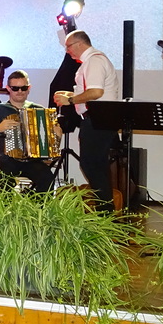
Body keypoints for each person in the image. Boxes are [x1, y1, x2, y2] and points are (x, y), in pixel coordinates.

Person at [53, 30, 120, 212]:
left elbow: (96, 92)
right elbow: (93, 91)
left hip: (98, 119)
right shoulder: (92, 61)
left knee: (91, 164)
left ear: (79, 44)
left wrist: (71, 100)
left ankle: (105, 211)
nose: (67, 51)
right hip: (99, 119)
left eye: (68, 46)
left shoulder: (94, 61)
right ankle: (105, 210)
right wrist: (71, 94)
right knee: (96, 164)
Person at [0, 70, 56, 195]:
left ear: (29, 88)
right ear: (8, 89)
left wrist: (55, 135)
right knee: (6, 178)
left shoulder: (38, 110)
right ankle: (3, 207)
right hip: (3, 158)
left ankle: (34, 206)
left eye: (23, 88)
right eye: (15, 88)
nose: (20, 91)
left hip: (30, 161)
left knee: (47, 178)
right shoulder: (0, 109)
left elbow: (48, 143)